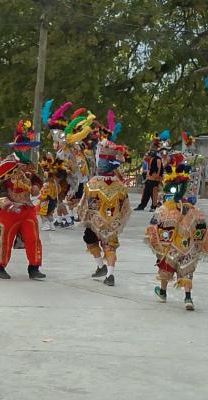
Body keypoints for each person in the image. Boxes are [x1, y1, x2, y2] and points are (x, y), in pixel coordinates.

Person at [145, 151, 208, 311]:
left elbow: (152, 230)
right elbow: (202, 230)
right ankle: (188, 298)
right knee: (187, 271)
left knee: (164, 265)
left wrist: (158, 242)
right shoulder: (193, 210)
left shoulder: (162, 210)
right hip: (186, 248)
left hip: (169, 249)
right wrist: (197, 245)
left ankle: (163, 292)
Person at [79, 110, 131, 287]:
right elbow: (126, 207)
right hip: (113, 222)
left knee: (90, 240)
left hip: (97, 221)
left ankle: (101, 266)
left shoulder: (93, 183)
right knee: (110, 246)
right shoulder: (120, 185)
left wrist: (87, 218)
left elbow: (87, 206)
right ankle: (109, 274)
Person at [0, 120, 46, 280]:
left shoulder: (28, 164)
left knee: (33, 238)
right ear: (16, 147)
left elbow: (36, 181)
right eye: (24, 147)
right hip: (9, 210)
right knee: (5, 239)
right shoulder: (6, 165)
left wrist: (36, 186)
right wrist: (7, 203)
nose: (27, 150)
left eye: (28, 147)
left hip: (27, 208)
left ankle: (34, 267)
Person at [135, 131, 168, 211]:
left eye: (154, 147)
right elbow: (146, 159)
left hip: (155, 178)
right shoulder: (151, 156)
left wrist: (158, 176)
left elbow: (161, 167)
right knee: (146, 192)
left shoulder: (159, 157)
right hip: (149, 177)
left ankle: (154, 206)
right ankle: (142, 206)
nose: (152, 148)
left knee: (154, 192)